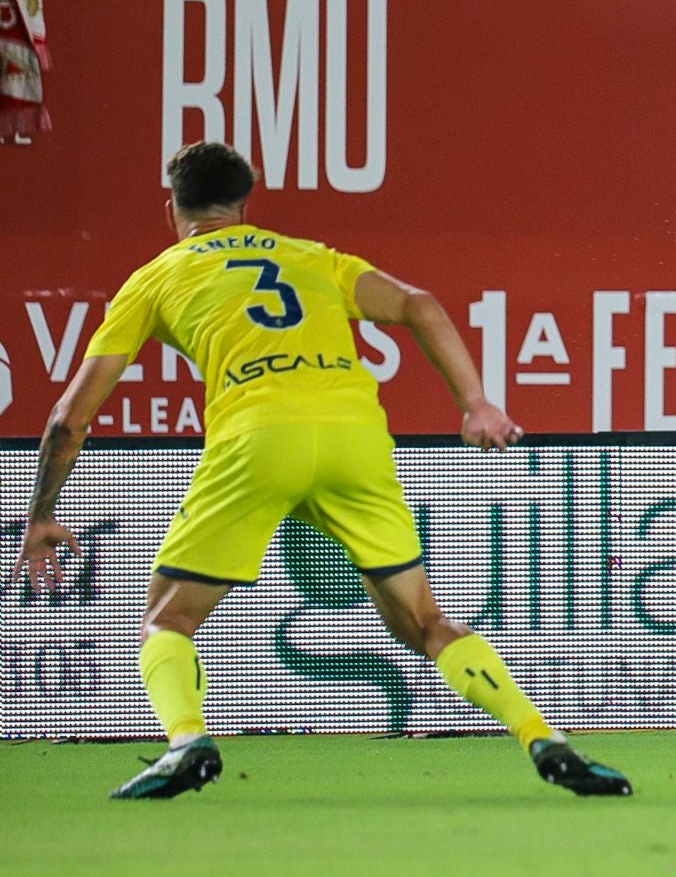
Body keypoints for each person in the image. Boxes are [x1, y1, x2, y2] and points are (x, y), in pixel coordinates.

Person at [10, 141, 630, 800]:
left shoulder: (157, 276)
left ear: (172, 211)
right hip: (352, 438)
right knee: (423, 621)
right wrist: (475, 403)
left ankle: (187, 742)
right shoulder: (309, 257)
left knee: (168, 618)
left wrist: (42, 510)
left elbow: (70, 417)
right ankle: (542, 737)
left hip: (258, 441)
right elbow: (419, 302)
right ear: (246, 208)